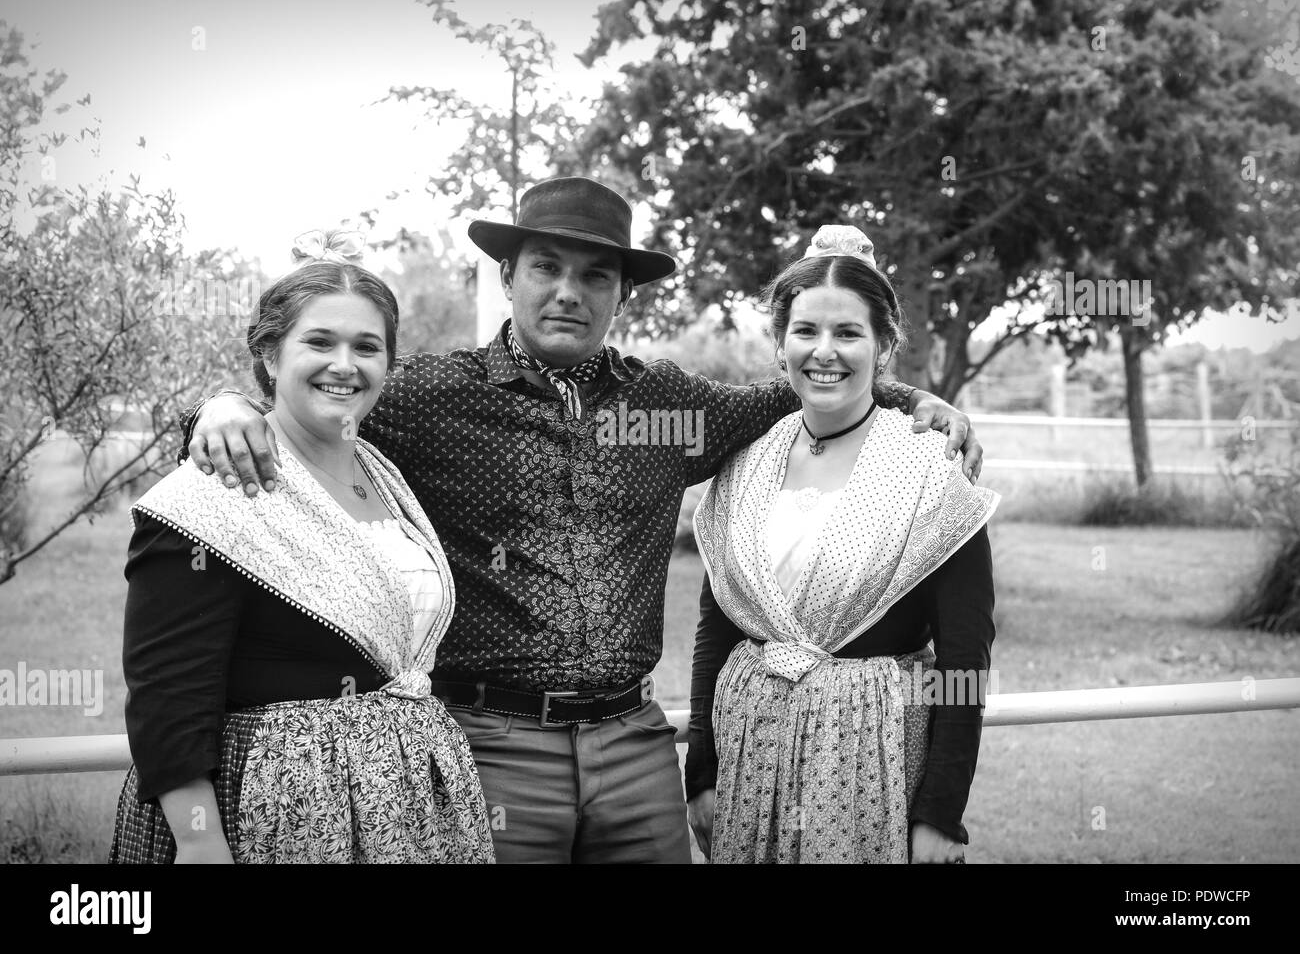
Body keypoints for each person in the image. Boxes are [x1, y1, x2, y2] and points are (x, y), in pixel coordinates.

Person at [182, 178, 985, 864]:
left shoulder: (667, 406)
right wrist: (218, 405)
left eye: (595, 275)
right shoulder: (429, 397)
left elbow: (810, 380)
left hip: (634, 746)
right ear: (508, 274)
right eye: (546, 267)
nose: (569, 291)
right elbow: (315, 395)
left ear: (621, 294)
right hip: (491, 744)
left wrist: (919, 401)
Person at [110, 233, 494, 863]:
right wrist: (200, 838)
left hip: (409, 806)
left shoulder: (385, 475)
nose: (345, 365)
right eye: (319, 342)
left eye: (367, 348)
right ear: (268, 354)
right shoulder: (214, 493)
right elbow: (166, 689)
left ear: (388, 367)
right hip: (280, 807)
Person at [685, 225, 999, 864]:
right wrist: (702, 771)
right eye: (806, 331)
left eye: (848, 333)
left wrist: (940, 814)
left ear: (884, 346)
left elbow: (965, 657)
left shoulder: (930, 467)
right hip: (750, 756)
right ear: (780, 342)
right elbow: (718, 624)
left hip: (869, 758)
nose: (823, 352)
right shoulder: (745, 460)